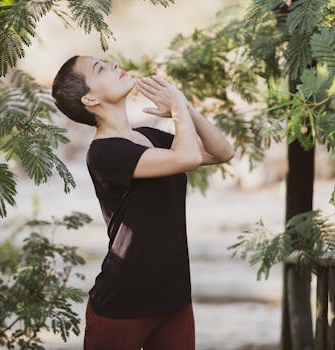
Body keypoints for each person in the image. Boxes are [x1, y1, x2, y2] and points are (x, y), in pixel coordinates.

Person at [51, 55, 234, 350]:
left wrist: (184, 106)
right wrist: (175, 107)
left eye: (108, 62)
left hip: (173, 298)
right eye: (101, 69)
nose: (112, 66)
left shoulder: (148, 136)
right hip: (123, 302)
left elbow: (222, 152)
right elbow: (186, 157)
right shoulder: (104, 153)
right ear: (90, 98)